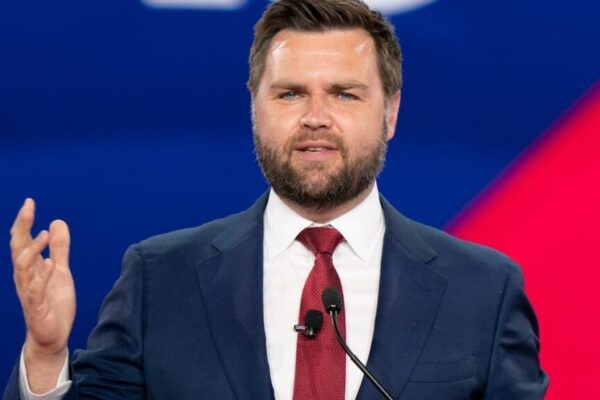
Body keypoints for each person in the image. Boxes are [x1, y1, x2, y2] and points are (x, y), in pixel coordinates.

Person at [5, 0, 548, 399]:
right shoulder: (159, 278)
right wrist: (47, 357)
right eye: (290, 94)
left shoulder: (483, 290)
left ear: (390, 112)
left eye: (344, 94)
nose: (315, 117)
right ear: (255, 108)